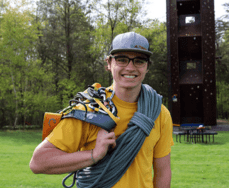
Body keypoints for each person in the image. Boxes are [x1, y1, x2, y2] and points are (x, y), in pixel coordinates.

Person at [29, 32, 174, 188]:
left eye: (139, 61)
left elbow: (163, 171)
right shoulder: (90, 110)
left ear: (147, 67)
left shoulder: (158, 113)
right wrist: (94, 155)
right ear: (109, 63)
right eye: (122, 59)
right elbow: (38, 162)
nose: (130, 67)